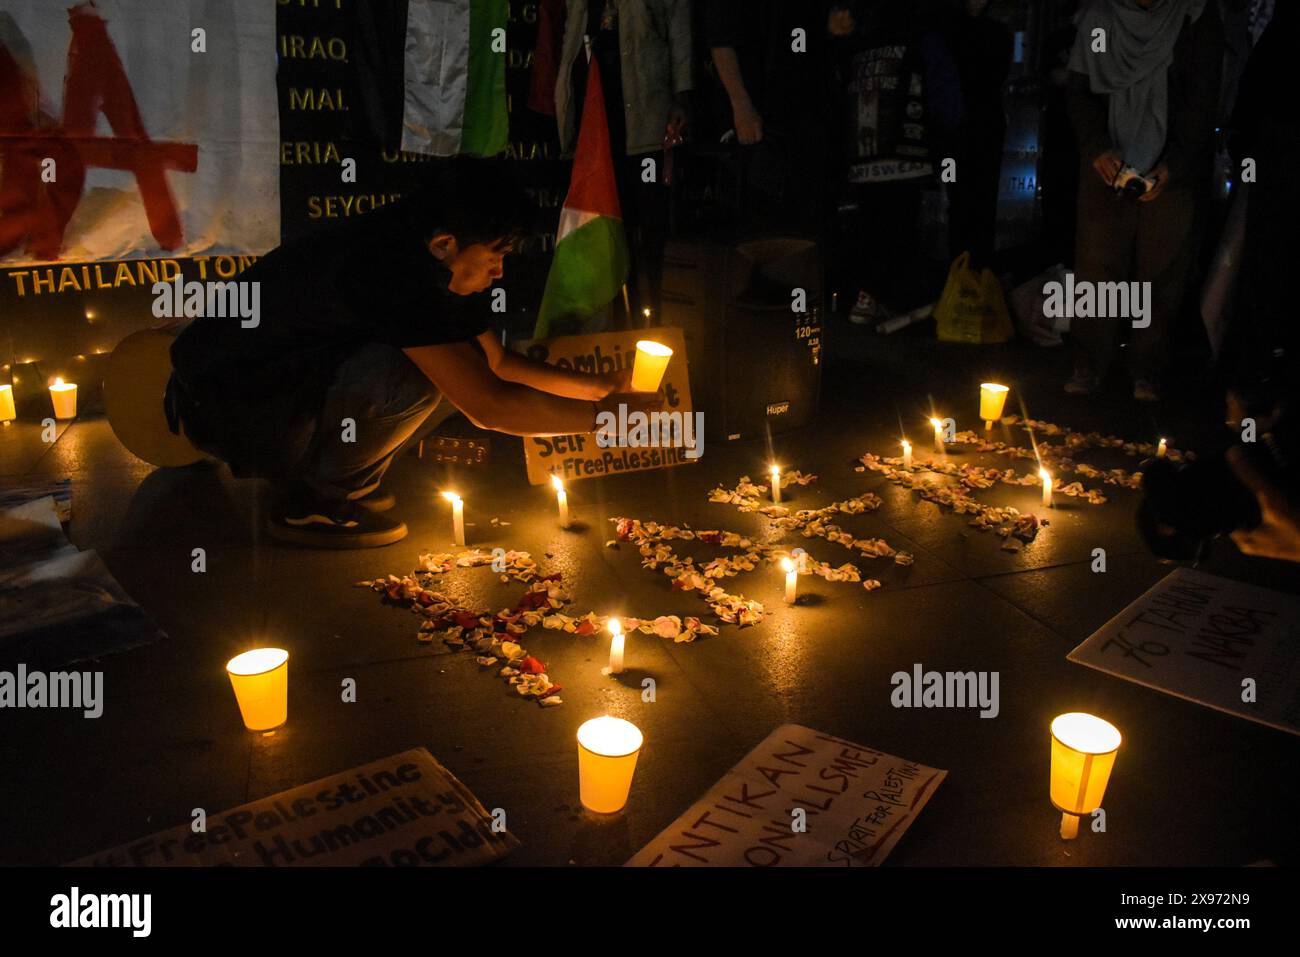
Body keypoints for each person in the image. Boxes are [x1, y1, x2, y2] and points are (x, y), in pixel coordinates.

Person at [166, 162, 660, 549]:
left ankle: (336, 474)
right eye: (495, 258)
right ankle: (313, 499)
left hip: (276, 389)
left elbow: (500, 364)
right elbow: (488, 407)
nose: (500, 274)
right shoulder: (389, 271)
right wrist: (609, 423)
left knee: (453, 364)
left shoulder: (424, 248)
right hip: (228, 408)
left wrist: (602, 389)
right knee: (419, 372)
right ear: (446, 243)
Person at [1064, 0, 1224, 403]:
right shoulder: (1101, 21)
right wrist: (1098, 149)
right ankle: (1089, 364)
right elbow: (1081, 91)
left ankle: (1147, 371)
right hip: (1108, 164)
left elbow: (1201, 101)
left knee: (1161, 269)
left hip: (1173, 164)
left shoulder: (1193, 17)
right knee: (1098, 267)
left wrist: (1172, 168)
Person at [553, 0, 694, 324]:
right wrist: (564, 102)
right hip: (598, 115)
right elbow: (571, 33)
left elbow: (678, 23)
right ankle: (613, 321)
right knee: (608, 223)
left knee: (649, 224)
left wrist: (682, 93)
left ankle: (653, 317)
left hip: (645, 112)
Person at [943, 0, 1012, 271]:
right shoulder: (994, 33)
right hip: (975, 124)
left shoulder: (950, 31)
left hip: (970, 124)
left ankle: (968, 271)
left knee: (968, 201)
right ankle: (971, 271)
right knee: (970, 201)